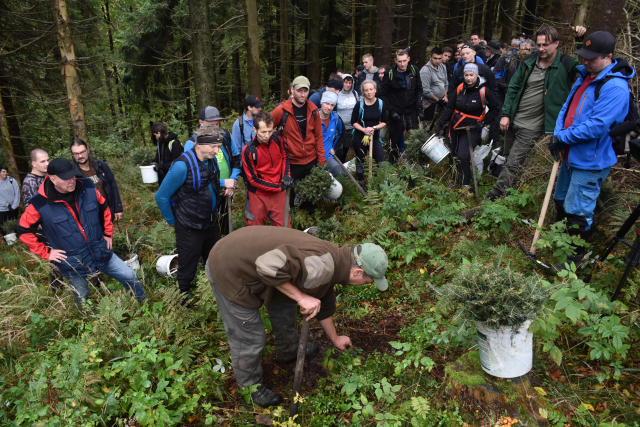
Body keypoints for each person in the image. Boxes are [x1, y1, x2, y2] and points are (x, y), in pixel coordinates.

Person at [206, 226, 389, 407]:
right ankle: (250, 387)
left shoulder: (336, 258)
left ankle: (288, 349)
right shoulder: (321, 265)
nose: (365, 285)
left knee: (286, 300)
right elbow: (267, 266)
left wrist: (335, 338)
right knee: (249, 335)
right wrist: (301, 297)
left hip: (251, 258)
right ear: (357, 272)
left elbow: (323, 297)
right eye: (367, 281)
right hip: (229, 267)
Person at [550, 31, 634, 268]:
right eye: (583, 56)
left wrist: (562, 137)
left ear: (608, 56)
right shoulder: (585, 76)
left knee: (577, 212)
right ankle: (559, 247)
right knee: (561, 202)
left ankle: (572, 263)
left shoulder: (615, 87)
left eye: (591, 58)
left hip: (590, 160)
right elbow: (566, 109)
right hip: (569, 153)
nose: (585, 61)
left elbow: (597, 126)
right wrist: (558, 135)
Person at [17, 158, 145, 303]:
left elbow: (104, 208)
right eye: (66, 178)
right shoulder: (40, 203)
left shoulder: (88, 186)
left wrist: (108, 233)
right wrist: (46, 253)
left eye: (72, 175)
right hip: (73, 261)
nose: (72, 180)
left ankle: (142, 303)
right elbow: (23, 230)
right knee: (81, 296)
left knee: (129, 276)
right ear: (52, 179)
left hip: (99, 249)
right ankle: (86, 319)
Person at [485, 25, 586, 201]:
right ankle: (508, 197)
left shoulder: (566, 63)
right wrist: (506, 114)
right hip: (513, 121)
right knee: (508, 159)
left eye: (545, 45)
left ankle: (493, 196)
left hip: (531, 126)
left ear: (556, 44)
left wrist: (580, 40)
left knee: (513, 164)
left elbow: (586, 68)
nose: (541, 48)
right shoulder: (529, 61)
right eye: (538, 44)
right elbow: (514, 88)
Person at [155, 126, 232, 302]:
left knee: (214, 260)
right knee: (187, 267)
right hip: (189, 226)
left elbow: (205, 181)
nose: (217, 150)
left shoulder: (210, 159)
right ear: (200, 145)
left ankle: (214, 295)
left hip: (210, 222)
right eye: (213, 146)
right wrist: (172, 221)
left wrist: (224, 183)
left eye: (219, 146)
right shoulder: (182, 166)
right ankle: (184, 303)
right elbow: (161, 196)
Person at [434, 63, 500, 191]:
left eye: (471, 75)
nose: (469, 78)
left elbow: (495, 108)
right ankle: (454, 180)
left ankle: (465, 185)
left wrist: (484, 122)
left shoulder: (484, 90)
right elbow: (450, 108)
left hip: (472, 129)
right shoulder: (460, 88)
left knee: (463, 155)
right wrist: (440, 124)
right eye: (466, 75)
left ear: (477, 75)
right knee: (452, 155)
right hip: (455, 126)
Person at [271, 76, 325, 210]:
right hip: (291, 162)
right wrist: (277, 152)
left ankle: (307, 226)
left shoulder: (313, 110)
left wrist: (321, 162)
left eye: (305, 91)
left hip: (310, 161)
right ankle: (290, 225)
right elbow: (267, 129)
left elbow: (318, 137)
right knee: (289, 197)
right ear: (292, 90)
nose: (302, 94)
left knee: (310, 198)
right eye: (299, 90)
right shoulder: (282, 110)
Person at [185, 106, 241, 236]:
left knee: (226, 226)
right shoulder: (192, 143)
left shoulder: (225, 135)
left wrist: (232, 180)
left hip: (227, 192)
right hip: (206, 194)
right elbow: (193, 175)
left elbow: (237, 158)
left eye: (217, 124)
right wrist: (223, 182)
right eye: (211, 124)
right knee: (210, 229)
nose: (216, 128)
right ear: (201, 122)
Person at [242, 112, 293, 227]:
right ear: (255, 130)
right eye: (263, 132)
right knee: (255, 230)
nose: (267, 135)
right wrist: (278, 187)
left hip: (278, 194)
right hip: (258, 196)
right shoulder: (248, 150)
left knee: (284, 229)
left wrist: (286, 176)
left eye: (270, 131)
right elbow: (253, 180)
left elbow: (285, 157)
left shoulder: (278, 138)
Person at [378, 49, 423, 164]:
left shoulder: (414, 70)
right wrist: (391, 110)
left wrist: (419, 108)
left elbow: (419, 89)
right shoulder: (390, 73)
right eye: (399, 61)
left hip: (412, 111)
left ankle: (415, 166)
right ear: (395, 61)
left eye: (404, 61)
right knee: (394, 142)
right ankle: (392, 167)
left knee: (415, 141)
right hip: (397, 112)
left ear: (408, 59)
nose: (402, 64)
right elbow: (382, 94)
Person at [70, 139, 123, 222]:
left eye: (82, 152)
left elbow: (112, 185)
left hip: (107, 210)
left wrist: (118, 208)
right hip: (88, 216)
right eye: (76, 154)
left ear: (87, 149)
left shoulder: (100, 165)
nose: (80, 156)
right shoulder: (71, 172)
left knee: (108, 234)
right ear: (72, 155)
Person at [351, 80, 388, 185]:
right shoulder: (359, 104)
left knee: (382, 162)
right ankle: (361, 185)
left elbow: (384, 121)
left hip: (374, 137)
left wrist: (374, 128)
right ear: (363, 92)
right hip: (360, 137)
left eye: (371, 89)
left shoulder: (380, 103)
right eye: (366, 90)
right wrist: (364, 129)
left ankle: (381, 184)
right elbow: (353, 122)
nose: (369, 92)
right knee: (361, 162)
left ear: (375, 90)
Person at [420, 47, 449, 128]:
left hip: (442, 101)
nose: (437, 61)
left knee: (442, 125)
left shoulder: (443, 67)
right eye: (435, 58)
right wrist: (438, 100)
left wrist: (445, 96)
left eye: (439, 58)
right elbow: (426, 91)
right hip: (429, 103)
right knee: (427, 126)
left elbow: (446, 83)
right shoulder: (425, 70)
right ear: (430, 57)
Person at [318, 92, 344, 177]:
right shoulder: (312, 117)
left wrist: (334, 148)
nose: (329, 107)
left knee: (341, 175)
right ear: (322, 102)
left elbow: (343, 133)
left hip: (328, 156)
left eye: (332, 105)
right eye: (327, 103)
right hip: (312, 158)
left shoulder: (336, 118)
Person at [335, 73, 359, 162]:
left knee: (346, 149)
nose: (348, 85)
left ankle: (343, 165)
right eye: (345, 82)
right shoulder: (337, 93)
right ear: (342, 82)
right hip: (339, 128)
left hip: (351, 127)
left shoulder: (354, 93)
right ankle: (337, 167)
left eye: (350, 82)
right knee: (338, 149)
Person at [0, 166, 20, 234]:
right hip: (2, 209)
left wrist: (14, 205)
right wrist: (6, 204)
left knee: (14, 223)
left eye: (6, 172)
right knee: (2, 225)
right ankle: (7, 240)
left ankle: (17, 238)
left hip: (13, 208)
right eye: (3, 172)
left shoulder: (11, 180)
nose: (5, 173)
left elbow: (17, 193)